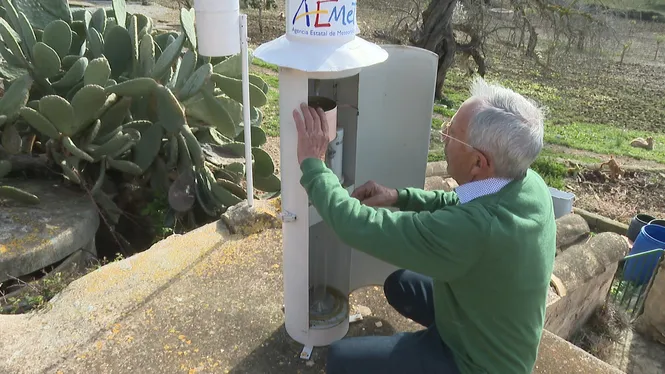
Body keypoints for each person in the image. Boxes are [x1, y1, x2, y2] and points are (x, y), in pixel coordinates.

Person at [292, 77, 557, 374]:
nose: (443, 138)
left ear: (479, 164)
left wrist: (314, 164)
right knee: (400, 284)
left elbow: (353, 224)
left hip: (478, 363)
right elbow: (463, 201)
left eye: (451, 135)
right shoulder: (527, 181)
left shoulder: (475, 230)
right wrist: (400, 197)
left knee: (341, 360)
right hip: (491, 319)